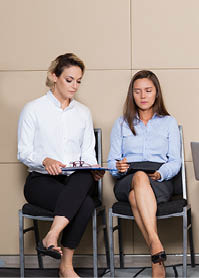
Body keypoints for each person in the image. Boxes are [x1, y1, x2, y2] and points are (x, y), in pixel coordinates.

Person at [17, 53, 105, 277]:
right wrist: (45, 160)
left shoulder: (83, 113)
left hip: (76, 178)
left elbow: (88, 153)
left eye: (78, 81)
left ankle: (51, 236)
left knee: (84, 176)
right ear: (53, 76)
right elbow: (24, 152)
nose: (74, 86)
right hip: (41, 181)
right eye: (69, 79)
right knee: (84, 204)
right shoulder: (33, 109)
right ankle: (65, 266)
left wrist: (94, 168)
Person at [107, 70, 181, 278]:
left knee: (136, 195)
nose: (143, 96)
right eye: (138, 92)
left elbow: (175, 161)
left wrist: (159, 174)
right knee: (138, 177)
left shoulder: (169, 122)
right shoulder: (121, 123)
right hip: (128, 178)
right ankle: (156, 243)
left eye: (148, 90)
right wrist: (118, 166)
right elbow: (112, 161)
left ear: (156, 93)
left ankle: (154, 253)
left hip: (158, 178)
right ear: (132, 95)